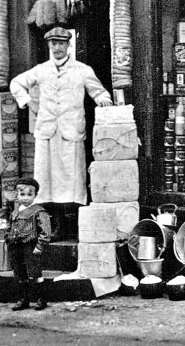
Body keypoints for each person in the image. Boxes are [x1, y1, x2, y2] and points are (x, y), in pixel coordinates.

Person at [10, 27, 112, 236]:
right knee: (47, 181)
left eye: (61, 43)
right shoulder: (41, 70)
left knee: (72, 180)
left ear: (68, 45)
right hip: (47, 132)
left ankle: (71, 226)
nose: (57, 47)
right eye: (53, 43)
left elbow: (100, 92)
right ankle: (52, 226)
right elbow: (16, 83)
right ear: (48, 45)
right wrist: (29, 103)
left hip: (71, 131)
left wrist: (104, 101)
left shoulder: (82, 70)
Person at [7, 177, 52, 311]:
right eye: (22, 194)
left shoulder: (38, 211)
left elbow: (46, 231)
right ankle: (23, 300)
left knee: (35, 273)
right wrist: (8, 238)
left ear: (35, 195)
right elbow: (10, 227)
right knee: (20, 273)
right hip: (17, 246)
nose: (25, 198)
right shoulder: (15, 212)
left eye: (29, 195)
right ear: (17, 194)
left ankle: (41, 299)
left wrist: (40, 246)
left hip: (31, 247)